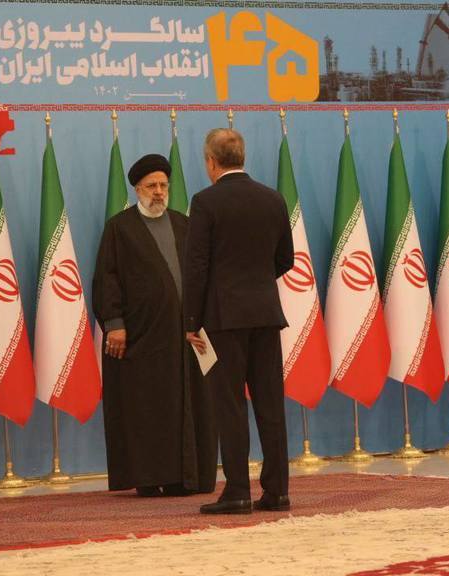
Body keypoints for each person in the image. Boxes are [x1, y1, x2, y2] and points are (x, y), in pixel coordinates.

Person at [93, 154, 217, 498]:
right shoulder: (120, 228)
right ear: (138, 189)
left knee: (188, 404)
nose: (159, 192)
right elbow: (107, 279)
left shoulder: (183, 224)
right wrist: (114, 324)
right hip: (142, 338)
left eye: (163, 185)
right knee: (148, 407)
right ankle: (150, 477)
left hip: (186, 335)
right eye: (152, 186)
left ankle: (186, 477)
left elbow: (201, 273)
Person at [183, 129, 294, 515]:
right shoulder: (273, 199)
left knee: (229, 406)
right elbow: (286, 259)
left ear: (211, 161)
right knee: (270, 404)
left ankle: (237, 492)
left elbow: (196, 266)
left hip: (222, 319)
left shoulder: (205, 202)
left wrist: (191, 319)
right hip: (266, 315)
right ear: (241, 156)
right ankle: (277, 491)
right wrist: (257, 284)